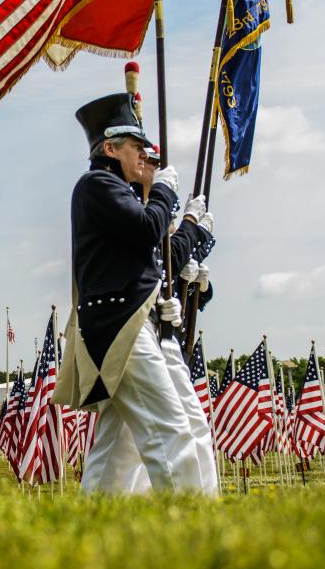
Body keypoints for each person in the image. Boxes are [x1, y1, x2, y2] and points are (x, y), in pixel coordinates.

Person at [52, 92, 218, 495]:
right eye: (137, 148)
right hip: (120, 325)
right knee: (170, 427)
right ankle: (194, 520)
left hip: (134, 322)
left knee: (119, 446)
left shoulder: (120, 191)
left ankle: (96, 518)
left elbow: (155, 259)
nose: (146, 157)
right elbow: (149, 231)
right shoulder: (97, 184)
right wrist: (171, 200)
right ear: (109, 148)